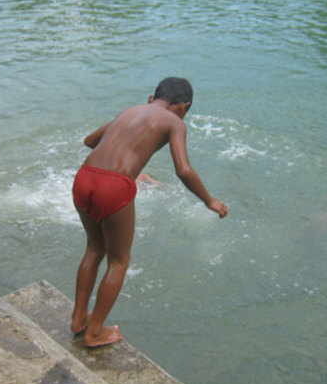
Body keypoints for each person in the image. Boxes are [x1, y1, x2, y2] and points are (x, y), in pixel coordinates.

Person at [71, 77, 228, 347]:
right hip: (114, 185)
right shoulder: (174, 122)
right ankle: (95, 331)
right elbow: (184, 170)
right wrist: (208, 200)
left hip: (84, 177)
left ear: (151, 98)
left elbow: (89, 141)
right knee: (119, 261)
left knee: (94, 249)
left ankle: (78, 318)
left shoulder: (128, 112)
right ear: (183, 107)